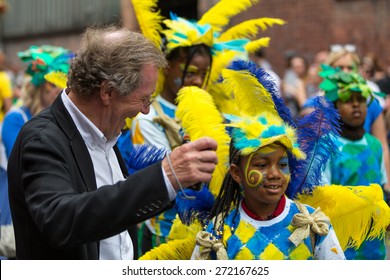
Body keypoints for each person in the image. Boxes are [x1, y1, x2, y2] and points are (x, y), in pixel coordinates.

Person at [7, 24, 218, 260]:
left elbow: (115, 210)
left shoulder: (103, 129)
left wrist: (178, 178)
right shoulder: (42, 139)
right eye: (143, 98)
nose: (146, 111)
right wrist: (164, 177)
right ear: (107, 91)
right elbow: (61, 220)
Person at [129, 0, 285, 256]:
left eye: (204, 73)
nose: (197, 80)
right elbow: (160, 177)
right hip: (163, 232)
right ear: (166, 66)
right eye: (190, 71)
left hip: (210, 229)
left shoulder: (214, 111)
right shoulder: (148, 117)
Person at [320, 65, 387, 259]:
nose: (356, 105)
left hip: (374, 239)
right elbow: (323, 197)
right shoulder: (327, 145)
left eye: (360, 100)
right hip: (342, 239)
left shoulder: (374, 144)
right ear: (334, 108)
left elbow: (381, 187)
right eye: (348, 101)